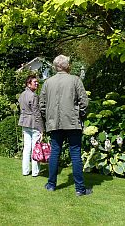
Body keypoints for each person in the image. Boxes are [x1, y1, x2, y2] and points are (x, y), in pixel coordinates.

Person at [40, 55, 92, 196]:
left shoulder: (47, 83)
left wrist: (48, 118)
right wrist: (81, 115)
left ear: (56, 67)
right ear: (67, 66)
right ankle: (79, 189)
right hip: (72, 123)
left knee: (55, 152)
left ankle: (51, 185)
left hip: (54, 123)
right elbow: (84, 102)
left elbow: (42, 105)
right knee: (75, 154)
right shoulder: (75, 80)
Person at [18, 74, 43, 177]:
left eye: (37, 82)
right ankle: (35, 171)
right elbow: (37, 113)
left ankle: (25, 170)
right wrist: (41, 129)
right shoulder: (34, 96)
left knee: (27, 147)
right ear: (28, 84)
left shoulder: (22, 94)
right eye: (34, 82)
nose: (37, 83)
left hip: (24, 122)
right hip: (33, 123)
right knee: (35, 148)